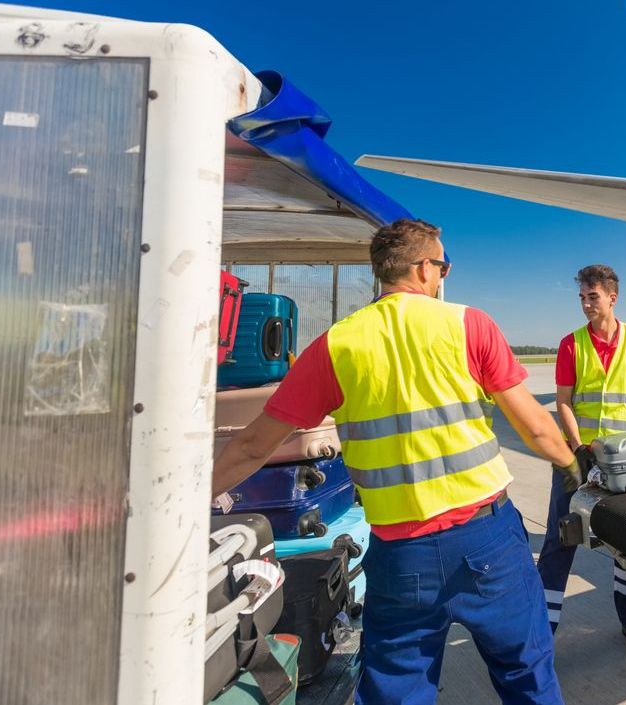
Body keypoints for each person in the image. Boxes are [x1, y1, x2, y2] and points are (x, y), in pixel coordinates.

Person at [213, 218, 582, 705]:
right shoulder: (469, 324)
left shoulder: (336, 345)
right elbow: (536, 427)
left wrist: (189, 501)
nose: (443, 275)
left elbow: (252, 446)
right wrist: (571, 467)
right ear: (425, 268)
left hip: (402, 552)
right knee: (526, 672)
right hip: (486, 537)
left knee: (396, 689)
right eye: (443, 266)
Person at [537, 264, 626, 659]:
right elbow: (564, 401)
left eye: (593, 296)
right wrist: (578, 448)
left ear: (612, 298)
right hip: (577, 461)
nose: (586, 304)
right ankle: (540, 636)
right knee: (560, 542)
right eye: (582, 297)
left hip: (624, 463)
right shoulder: (571, 344)